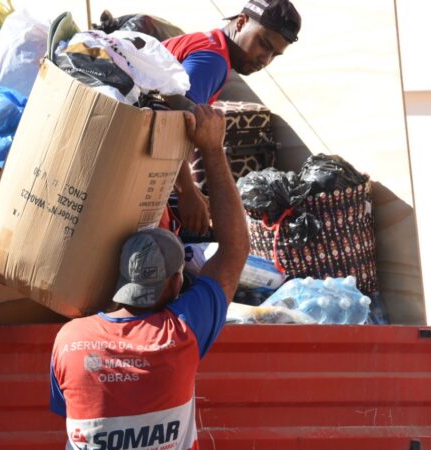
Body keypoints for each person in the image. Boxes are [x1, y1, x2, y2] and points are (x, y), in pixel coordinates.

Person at [50, 105, 250, 450]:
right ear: (175, 284)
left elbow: (68, 408)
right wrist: (213, 149)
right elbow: (235, 250)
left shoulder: (70, 339)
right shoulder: (183, 333)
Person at [165, 0, 302, 236]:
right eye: (263, 44)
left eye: (274, 55)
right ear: (241, 22)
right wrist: (186, 190)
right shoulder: (213, 60)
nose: (265, 60)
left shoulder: (207, 42)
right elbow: (170, 123)